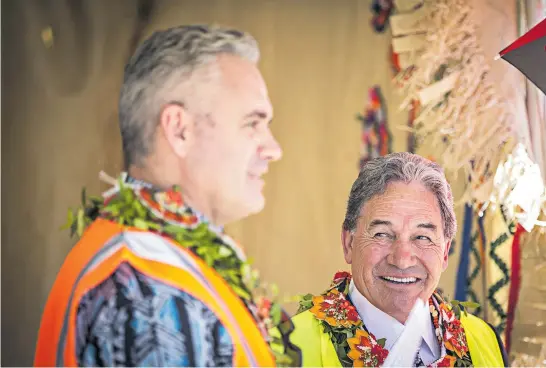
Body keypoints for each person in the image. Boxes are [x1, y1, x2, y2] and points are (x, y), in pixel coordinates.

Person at [34, 25, 300, 367]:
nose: (274, 149)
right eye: (252, 123)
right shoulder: (144, 291)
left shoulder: (161, 256)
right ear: (179, 130)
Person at [287, 152, 508, 367]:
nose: (402, 260)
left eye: (422, 237)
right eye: (382, 234)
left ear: (444, 252)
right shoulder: (288, 348)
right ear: (348, 243)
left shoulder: (485, 340)